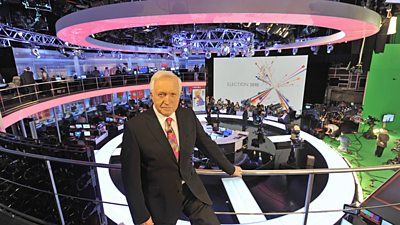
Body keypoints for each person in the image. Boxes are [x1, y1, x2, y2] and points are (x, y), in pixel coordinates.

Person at [121, 71, 242, 225]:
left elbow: (206, 144)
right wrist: (141, 215)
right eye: (161, 94)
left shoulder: (187, 116)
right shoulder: (135, 127)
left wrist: (229, 168)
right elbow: (131, 178)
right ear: (152, 95)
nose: (167, 101)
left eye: (173, 94)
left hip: (190, 189)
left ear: (180, 94)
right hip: (160, 199)